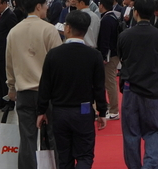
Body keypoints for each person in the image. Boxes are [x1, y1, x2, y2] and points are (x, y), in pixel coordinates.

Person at [37, 11, 107, 169]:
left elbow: (45, 85)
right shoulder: (94, 55)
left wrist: (41, 110)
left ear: (67, 28)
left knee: (64, 157)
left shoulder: (53, 54)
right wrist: (102, 111)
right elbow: (99, 87)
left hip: (59, 111)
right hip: (83, 110)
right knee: (85, 155)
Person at [6, 0, 62, 169]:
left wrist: (11, 87)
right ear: (38, 6)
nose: (47, 7)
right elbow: (58, 63)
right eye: (45, 4)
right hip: (49, 93)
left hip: (24, 92)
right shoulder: (49, 29)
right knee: (53, 137)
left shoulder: (14, 31)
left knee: (27, 138)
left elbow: (9, 64)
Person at [117, 0, 158, 169]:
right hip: (153, 90)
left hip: (130, 89)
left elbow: (122, 58)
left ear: (136, 12)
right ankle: (150, 165)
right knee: (155, 131)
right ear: (154, 13)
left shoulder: (124, 35)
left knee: (131, 134)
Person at [97, 0, 122, 120]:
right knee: (108, 82)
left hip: (110, 56)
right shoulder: (113, 17)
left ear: (101, 5)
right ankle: (110, 107)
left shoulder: (107, 20)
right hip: (113, 54)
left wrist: (103, 57)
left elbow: (105, 40)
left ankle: (114, 110)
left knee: (110, 82)